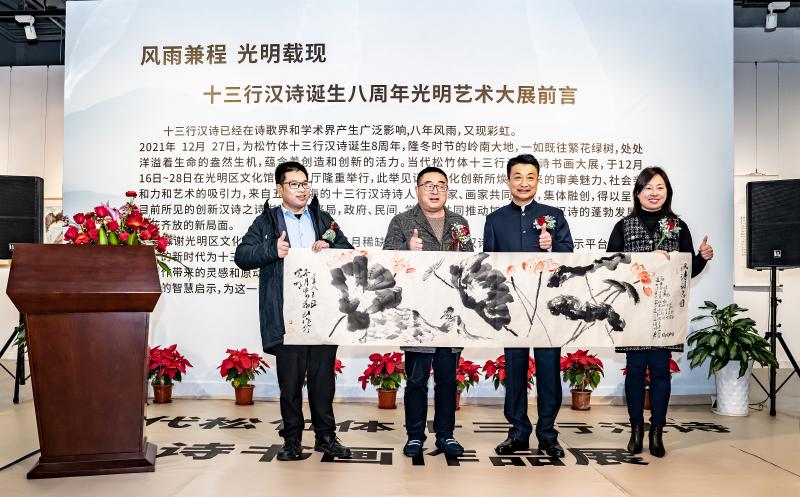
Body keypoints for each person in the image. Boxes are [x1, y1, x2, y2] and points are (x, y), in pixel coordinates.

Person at [234, 161, 353, 461]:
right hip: (287, 316)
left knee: (323, 382)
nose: (301, 190)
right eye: (294, 184)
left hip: (321, 313)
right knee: (290, 383)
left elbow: (349, 253)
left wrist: (330, 249)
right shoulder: (267, 222)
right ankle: (292, 440)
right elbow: (242, 256)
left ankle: (326, 437)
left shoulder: (322, 219)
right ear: (280, 188)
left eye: (305, 184)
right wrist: (271, 250)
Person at [606, 166, 713, 457]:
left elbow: (687, 271)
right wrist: (645, 260)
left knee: (660, 372)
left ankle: (657, 432)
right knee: (635, 371)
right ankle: (636, 430)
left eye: (660, 188)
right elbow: (611, 266)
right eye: (648, 188)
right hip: (634, 311)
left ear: (667, 193)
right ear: (637, 193)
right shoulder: (623, 226)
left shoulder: (678, 226)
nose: (654, 193)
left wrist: (702, 258)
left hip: (666, 312)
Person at [483, 154, 574, 458]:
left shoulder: (554, 216)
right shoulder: (495, 220)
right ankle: (518, 432)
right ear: (507, 180)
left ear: (538, 180)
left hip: (547, 307)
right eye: (518, 177)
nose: (524, 183)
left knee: (549, 369)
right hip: (513, 309)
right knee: (515, 370)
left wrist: (553, 247)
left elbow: (569, 256)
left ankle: (548, 433)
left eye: (530, 177)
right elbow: (489, 264)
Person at [383, 166, 474, 457]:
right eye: (428, 185)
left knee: (447, 380)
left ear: (447, 190)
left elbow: (471, 265)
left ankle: (446, 435)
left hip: (450, 314)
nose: (435, 191)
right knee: (417, 380)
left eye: (441, 185)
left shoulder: (459, 222)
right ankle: (414, 435)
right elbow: (388, 263)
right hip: (417, 315)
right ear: (417, 190)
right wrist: (407, 249)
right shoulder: (402, 221)